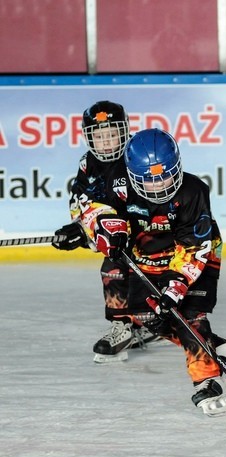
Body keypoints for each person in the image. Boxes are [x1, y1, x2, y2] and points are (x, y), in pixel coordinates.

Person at [91, 128, 226, 416]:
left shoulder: (193, 191)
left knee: (188, 313)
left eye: (166, 175)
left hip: (197, 253)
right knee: (149, 315)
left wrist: (175, 288)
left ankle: (208, 378)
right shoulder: (117, 183)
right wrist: (110, 231)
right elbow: (98, 213)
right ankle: (221, 350)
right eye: (150, 180)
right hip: (149, 254)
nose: (160, 185)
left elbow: (194, 247)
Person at [52, 100, 156, 363]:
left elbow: (156, 202)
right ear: (89, 138)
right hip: (118, 239)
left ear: (125, 131)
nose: (107, 141)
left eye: (112, 134)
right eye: (99, 136)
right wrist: (78, 229)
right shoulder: (88, 164)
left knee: (150, 276)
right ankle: (124, 326)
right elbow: (82, 203)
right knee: (112, 267)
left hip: (153, 232)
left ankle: (148, 321)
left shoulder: (139, 156)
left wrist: (121, 227)